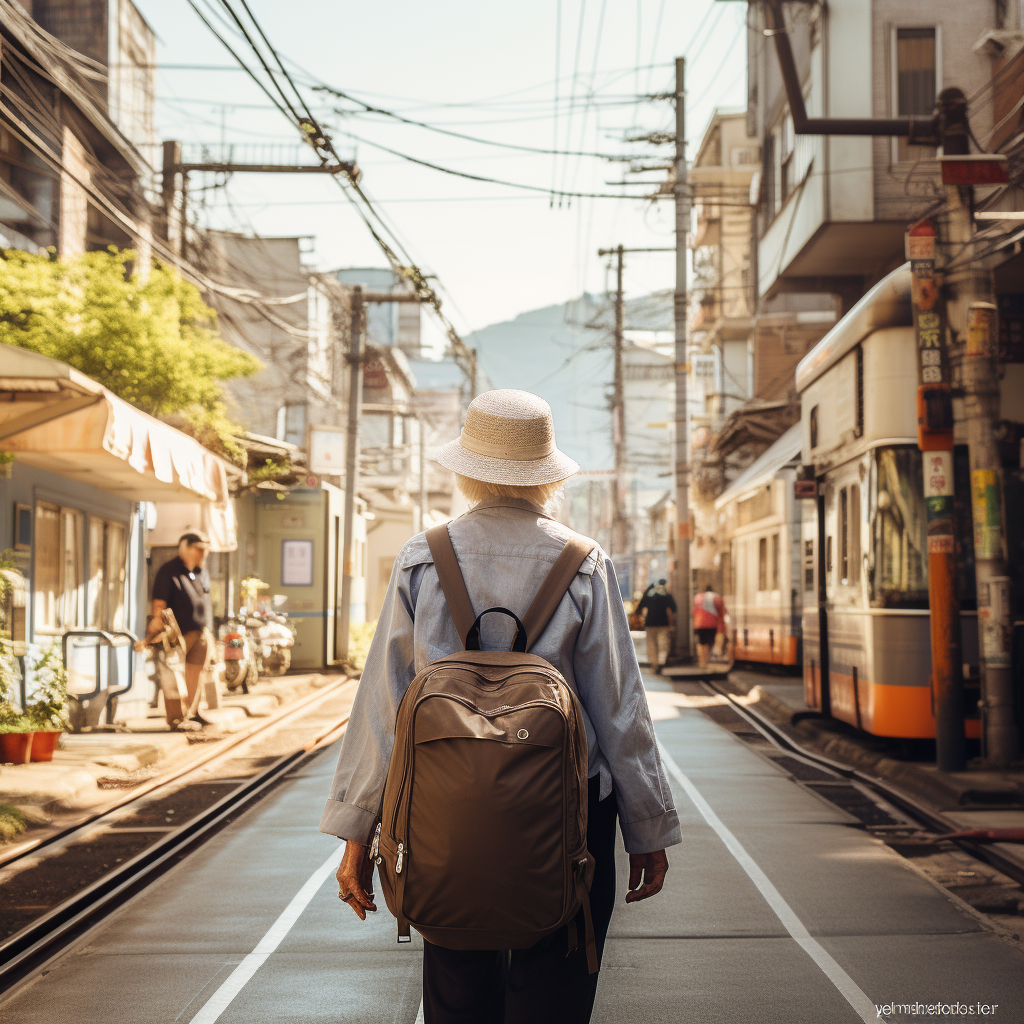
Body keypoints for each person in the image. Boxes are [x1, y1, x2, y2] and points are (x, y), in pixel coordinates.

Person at [322, 389, 681, 1024]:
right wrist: (646, 829)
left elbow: (384, 704)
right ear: (546, 476)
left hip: (442, 813)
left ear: (466, 472)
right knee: (556, 978)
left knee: (457, 979)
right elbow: (619, 709)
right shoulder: (582, 563)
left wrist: (357, 833)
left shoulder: (421, 558)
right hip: (568, 814)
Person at [141, 532, 213, 720]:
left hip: (199, 632)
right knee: (173, 676)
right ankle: (176, 718)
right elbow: (159, 605)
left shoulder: (199, 573)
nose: (203, 554)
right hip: (176, 635)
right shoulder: (169, 571)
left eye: (205, 550)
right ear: (185, 547)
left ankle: (193, 712)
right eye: (199, 549)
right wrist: (156, 631)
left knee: (195, 675)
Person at [637, 578, 676, 674]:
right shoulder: (667, 595)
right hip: (663, 624)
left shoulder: (648, 595)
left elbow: (639, 608)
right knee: (663, 644)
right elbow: (674, 609)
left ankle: (654, 664)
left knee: (651, 644)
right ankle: (661, 662)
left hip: (650, 623)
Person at [693, 583, 727, 669]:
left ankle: (702, 661)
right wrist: (722, 627)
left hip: (699, 624)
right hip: (712, 624)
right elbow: (721, 613)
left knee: (701, 643)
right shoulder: (717, 598)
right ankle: (707, 661)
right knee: (709, 643)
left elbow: (694, 611)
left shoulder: (698, 597)